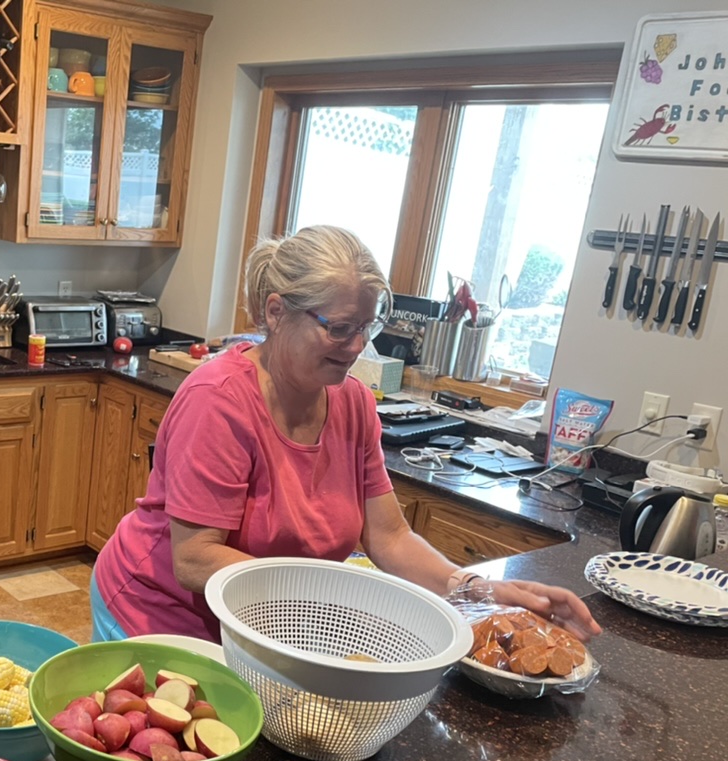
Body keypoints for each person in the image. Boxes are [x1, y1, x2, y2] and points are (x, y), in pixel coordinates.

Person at [90, 225, 600, 644]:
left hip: (268, 622)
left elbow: (390, 536)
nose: (357, 346)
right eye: (338, 328)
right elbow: (195, 558)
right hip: (160, 618)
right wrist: (331, 599)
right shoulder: (219, 401)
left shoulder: (353, 402)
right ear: (275, 312)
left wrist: (478, 591)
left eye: (367, 327)